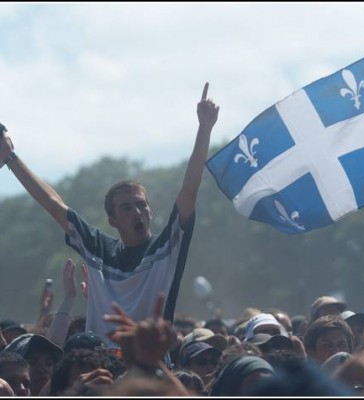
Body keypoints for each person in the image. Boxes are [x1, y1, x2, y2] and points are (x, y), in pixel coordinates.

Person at [0, 83, 219, 347]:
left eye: (141, 205)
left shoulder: (168, 245)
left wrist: (204, 129)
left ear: (150, 211)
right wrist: (10, 157)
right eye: (126, 208)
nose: (137, 211)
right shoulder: (99, 249)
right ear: (112, 220)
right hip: (102, 369)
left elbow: (189, 190)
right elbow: (53, 204)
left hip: (151, 370)